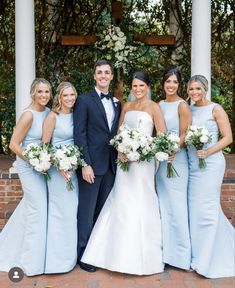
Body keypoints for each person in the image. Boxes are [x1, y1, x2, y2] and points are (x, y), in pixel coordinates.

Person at [81, 71, 166, 275]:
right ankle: (113, 254)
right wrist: (121, 149)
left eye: (141, 86)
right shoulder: (126, 106)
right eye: (134, 86)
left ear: (148, 87)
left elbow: (161, 136)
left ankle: (144, 256)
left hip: (143, 164)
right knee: (122, 201)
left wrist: (143, 149)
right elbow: (118, 133)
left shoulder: (154, 107)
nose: (137, 89)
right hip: (125, 163)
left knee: (141, 201)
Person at [73, 60, 121, 272]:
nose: (103, 75)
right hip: (91, 166)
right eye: (99, 72)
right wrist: (85, 164)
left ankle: (97, 252)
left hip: (111, 165)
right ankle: (83, 255)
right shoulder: (84, 101)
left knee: (102, 212)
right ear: (94, 76)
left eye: (107, 72)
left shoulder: (117, 103)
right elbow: (79, 134)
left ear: (111, 77)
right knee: (86, 211)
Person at [0, 78, 51, 276]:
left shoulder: (47, 112)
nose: (44, 95)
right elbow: (13, 144)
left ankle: (24, 251)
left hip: (43, 166)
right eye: (40, 92)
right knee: (37, 209)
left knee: (32, 208)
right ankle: (30, 262)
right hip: (29, 167)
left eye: (47, 92)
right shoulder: (28, 115)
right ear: (33, 94)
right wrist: (33, 160)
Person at [187, 75, 235, 278]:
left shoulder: (215, 109)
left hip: (211, 164)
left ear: (205, 89)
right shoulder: (187, 109)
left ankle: (209, 257)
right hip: (193, 165)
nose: (195, 93)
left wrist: (208, 151)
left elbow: (228, 138)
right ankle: (198, 254)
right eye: (191, 89)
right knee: (195, 209)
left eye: (198, 89)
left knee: (207, 209)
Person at [156, 68, 192, 270]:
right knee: (164, 206)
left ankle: (181, 255)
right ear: (163, 83)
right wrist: (162, 149)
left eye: (175, 82)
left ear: (179, 85)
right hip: (162, 162)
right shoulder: (159, 104)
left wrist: (173, 148)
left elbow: (184, 135)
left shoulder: (182, 105)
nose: (171, 85)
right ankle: (167, 254)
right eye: (168, 81)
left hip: (177, 161)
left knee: (177, 206)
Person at [42, 82, 79, 273]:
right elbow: (45, 146)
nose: (70, 98)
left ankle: (69, 257)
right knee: (60, 212)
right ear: (59, 97)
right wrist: (59, 165)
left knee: (71, 213)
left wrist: (72, 163)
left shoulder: (76, 115)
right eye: (66, 95)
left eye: (72, 94)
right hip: (58, 172)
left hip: (73, 170)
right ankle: (57, 261)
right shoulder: (52, 117)